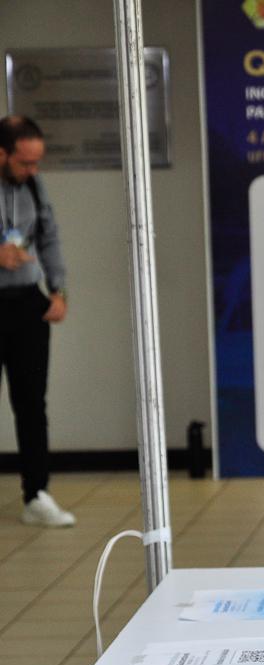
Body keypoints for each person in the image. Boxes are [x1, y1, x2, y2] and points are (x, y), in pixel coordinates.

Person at [0, 116, 76, 527]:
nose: (33, 170)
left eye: (36, 162)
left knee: (31, 401)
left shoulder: (33, 185)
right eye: (25, 162)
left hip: (27, 301)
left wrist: (58, 290)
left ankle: (37, 495)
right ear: (2, 154)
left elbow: (49, 236)